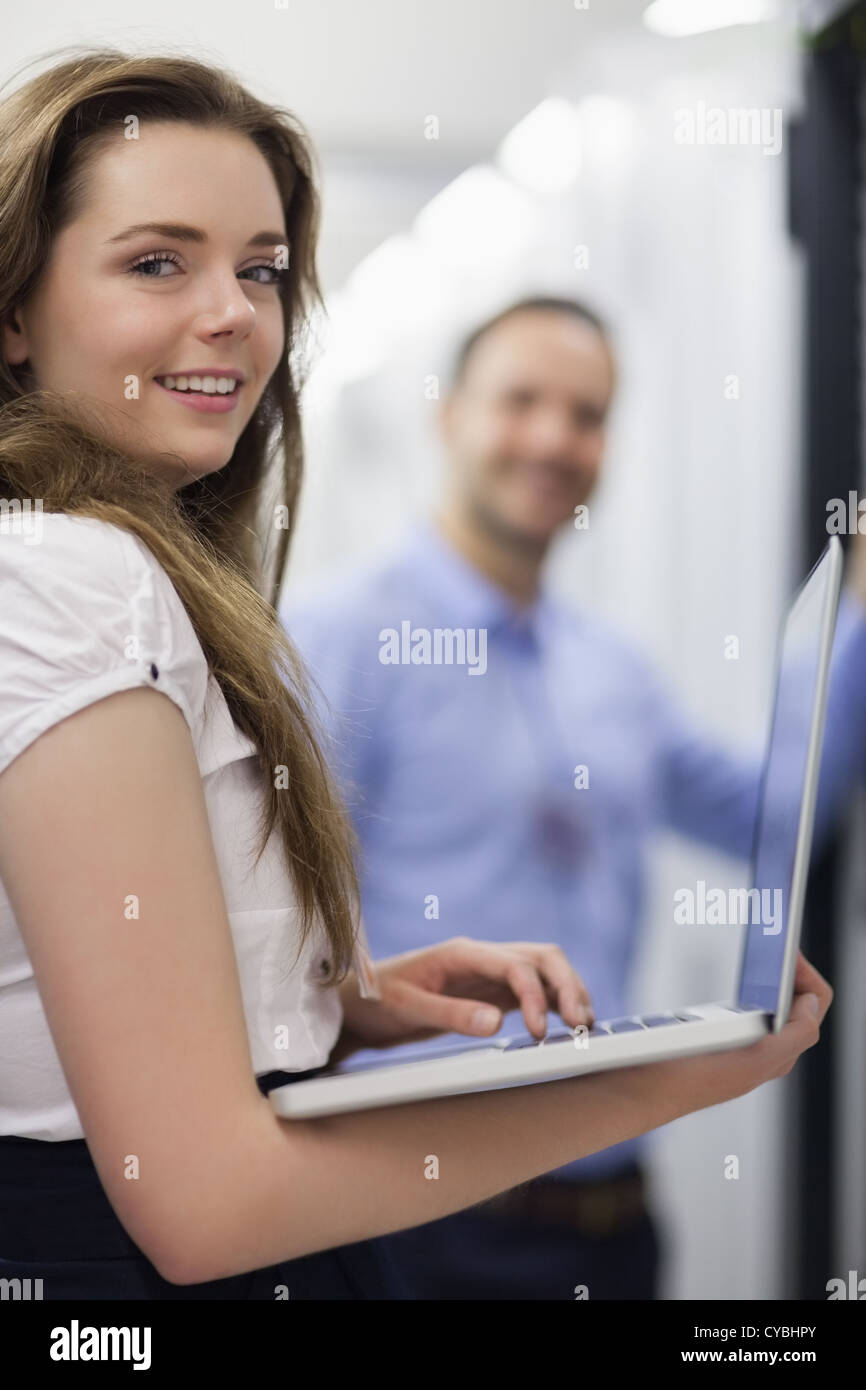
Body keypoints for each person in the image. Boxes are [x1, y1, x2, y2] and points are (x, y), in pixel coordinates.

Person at [0, 50, 833, 1303]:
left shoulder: (124, 579)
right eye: (156, 260)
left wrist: (345, 1001)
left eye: (262, 269)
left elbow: (87, 994)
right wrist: (670, 1074)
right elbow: (200, 1201)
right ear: (14, 305)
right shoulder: (76, 583)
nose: (233, 312)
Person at [281, 296, 866, 1299]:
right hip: (421, 1221)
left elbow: (772, 819)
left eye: (586, 415)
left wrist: (847, 620)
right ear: (450, 415)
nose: (554, 438)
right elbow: (269, 943)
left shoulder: (611, 670)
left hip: (609, 1210)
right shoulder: (337, 637)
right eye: (521, 401)